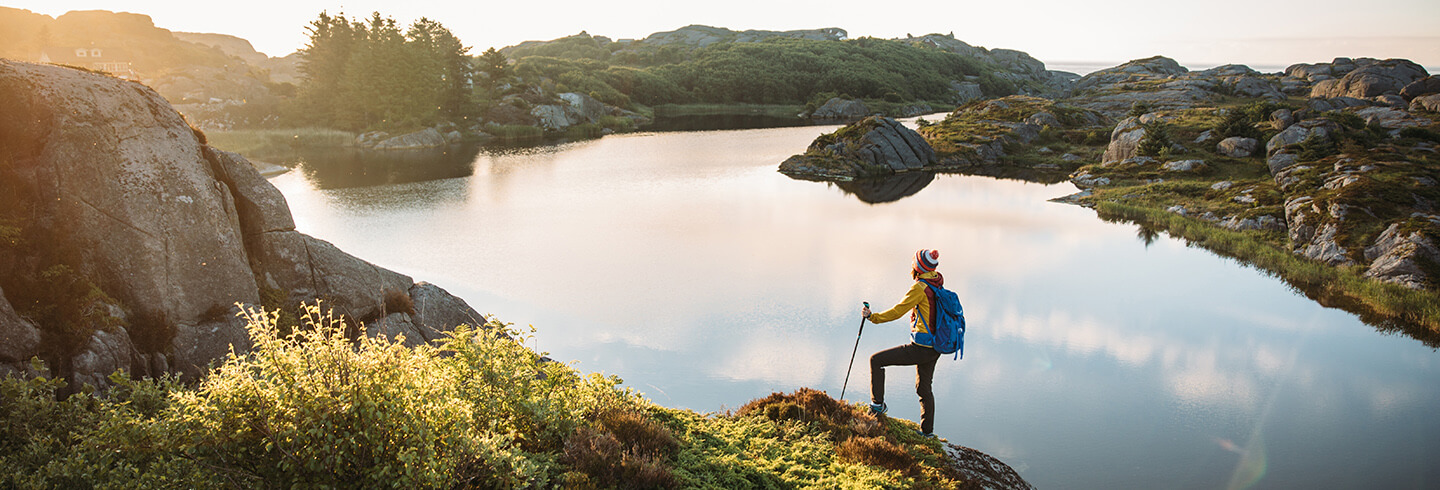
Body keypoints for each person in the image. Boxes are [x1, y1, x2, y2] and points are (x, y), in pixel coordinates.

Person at [862, 249, 944, 437]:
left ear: (917, 267)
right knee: (924, 388)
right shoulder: (937, 281)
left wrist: (872, 317)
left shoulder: (920, 288)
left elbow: (898, 311)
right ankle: (927, 432)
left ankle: (877, 406)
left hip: (921, 347)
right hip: (935, 347)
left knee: (876, 360)